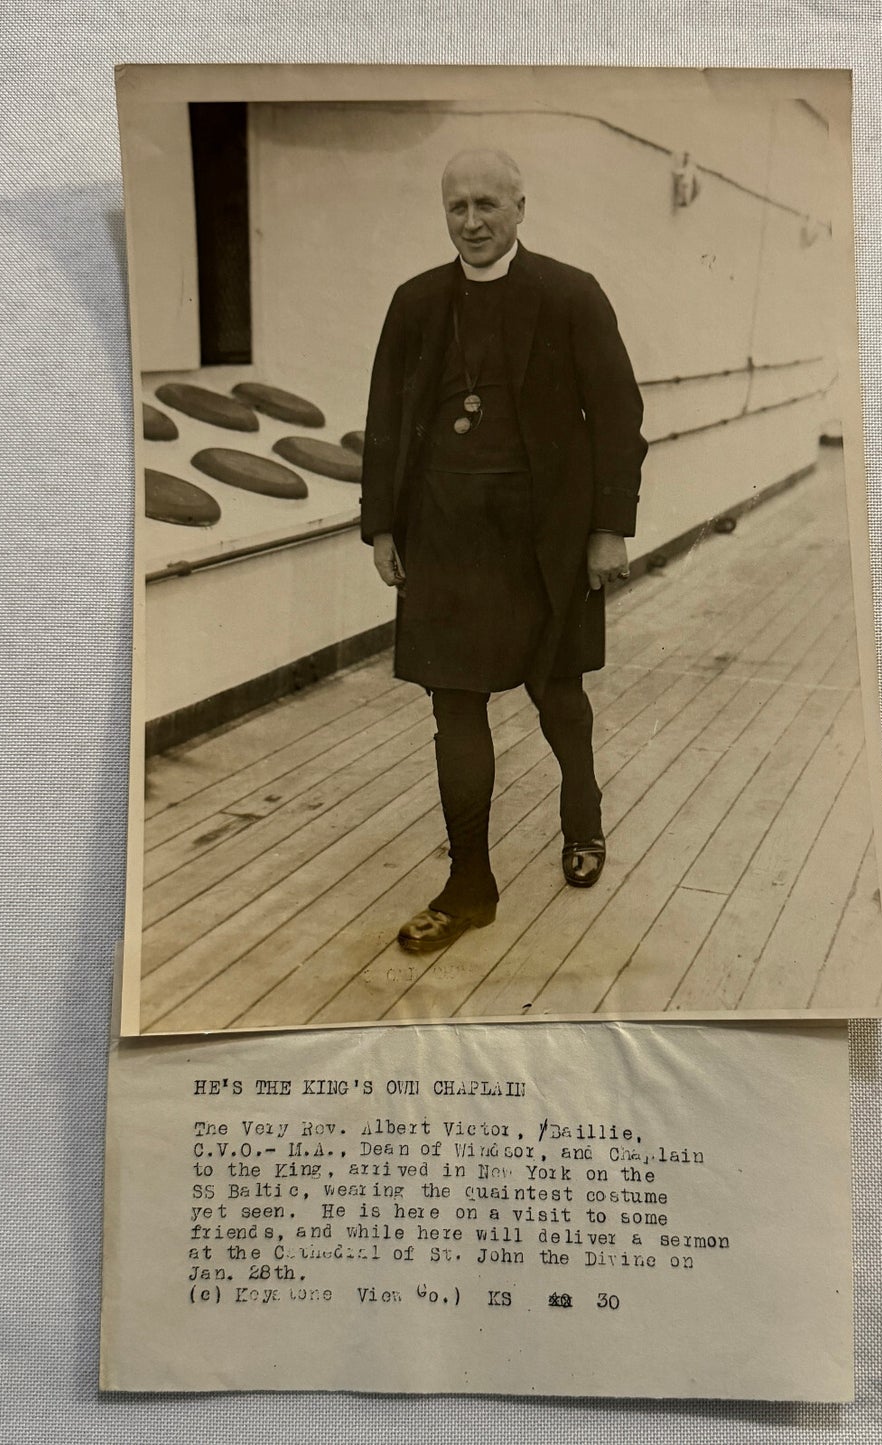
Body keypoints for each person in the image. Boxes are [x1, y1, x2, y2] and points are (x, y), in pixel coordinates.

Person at [360, 147, 648, 954]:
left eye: (488, 205)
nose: (472, 222)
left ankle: (581, 814)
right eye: (457, 207)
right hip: (445, 533)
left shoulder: (568, 295)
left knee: (556, 694)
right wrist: (382, 524)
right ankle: (469, 884)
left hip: (543, 538)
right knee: (454, 706)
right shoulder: (415, 303)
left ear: (521, 207)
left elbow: (617, 416)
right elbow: (384, 417)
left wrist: (607, 527)